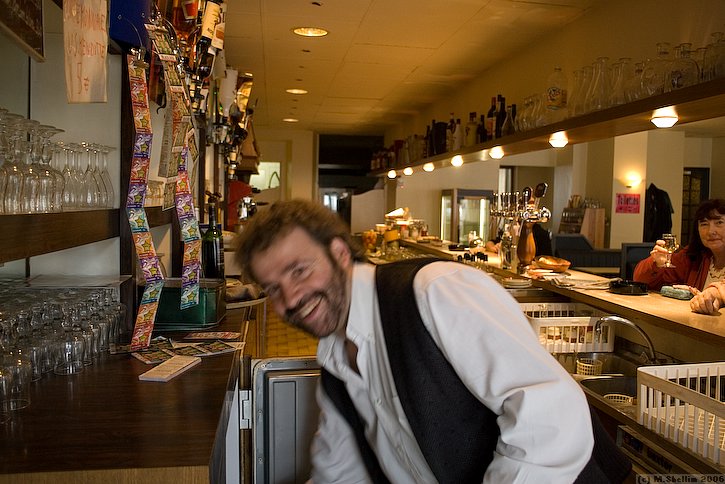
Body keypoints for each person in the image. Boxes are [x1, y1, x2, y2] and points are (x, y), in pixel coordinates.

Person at [236, 199, 629, 483]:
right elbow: (339, 472)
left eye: (300, 271)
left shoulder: (433, 291)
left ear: (339, 254)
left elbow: (550, 415)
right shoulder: (337, 362)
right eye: (273, 288)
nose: (290, 299)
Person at [634, 198, 725, 292]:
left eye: (719, 223)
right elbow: (640, 281)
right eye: (704, 224)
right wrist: (656, 264)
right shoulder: (692, 257)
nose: (710, 231)